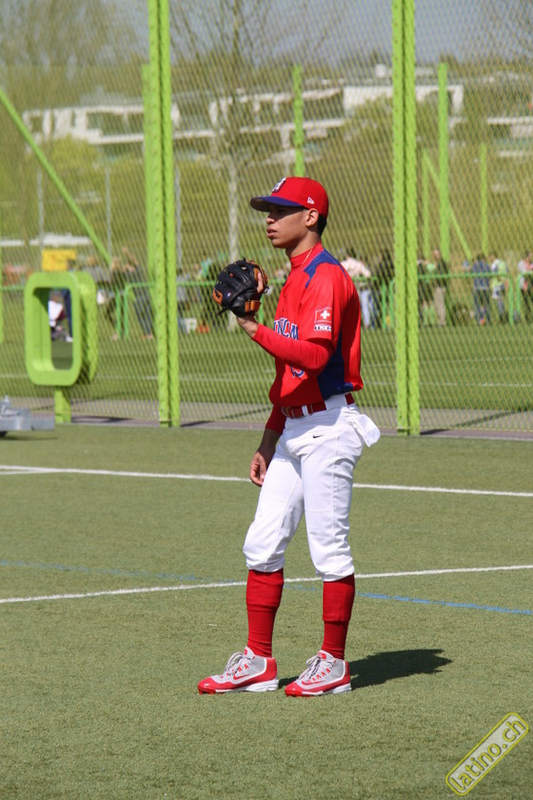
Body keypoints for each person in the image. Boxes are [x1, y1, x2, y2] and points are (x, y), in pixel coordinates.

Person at [198, 177, 380, 698]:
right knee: (262, 542)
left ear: (311, 216)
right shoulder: (294, 277)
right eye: (267, 210)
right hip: (294, 427)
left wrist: (253, 328)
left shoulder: (326, 276)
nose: (270, 219)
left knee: (329, 549)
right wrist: (268, 438)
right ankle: (258, 660)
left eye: (280, 210)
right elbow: (288, 375)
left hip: (328, 428)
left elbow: (316, 358)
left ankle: (334, 663)